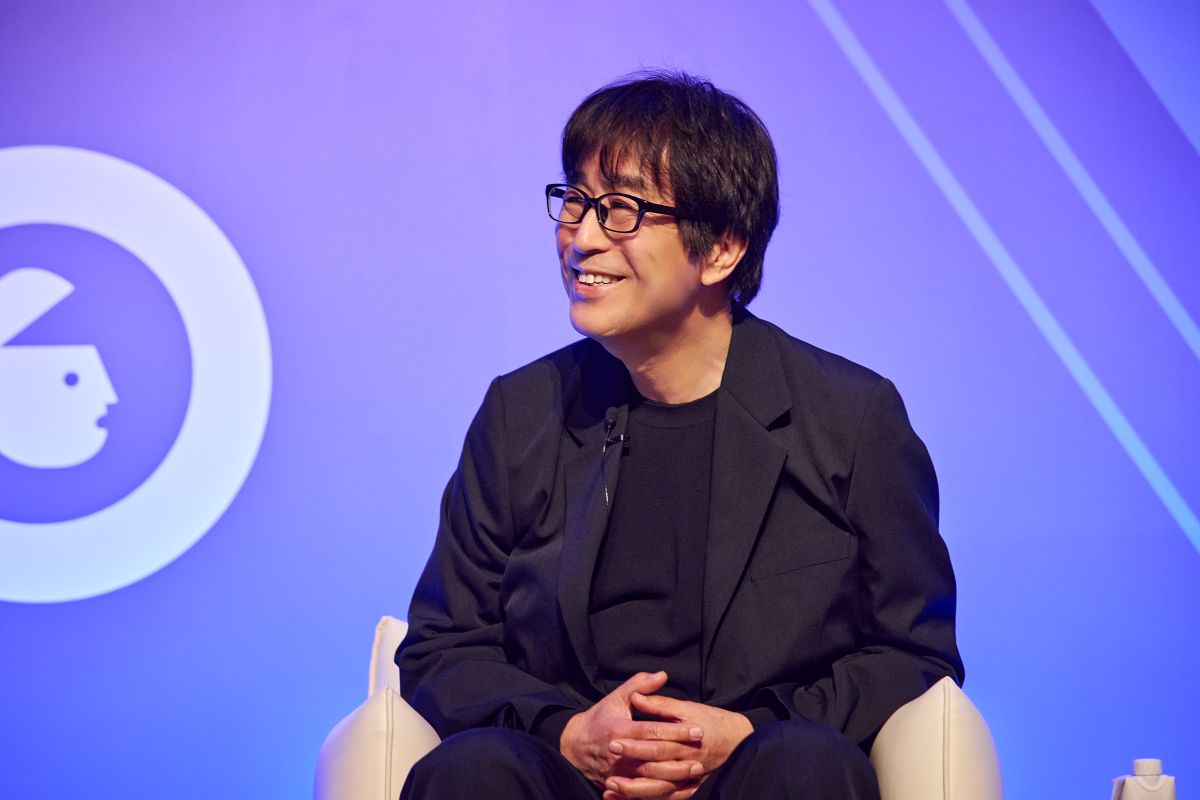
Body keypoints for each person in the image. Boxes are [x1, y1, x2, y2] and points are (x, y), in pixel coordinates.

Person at [396, 70, 963, 800]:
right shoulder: (521, 413)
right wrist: (568, 734)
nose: (581, 238)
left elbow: (911, 652)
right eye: (576, 202)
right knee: (471, 770)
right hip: (572, 779)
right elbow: (443, 647)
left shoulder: (850, 419)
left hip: (755, 774)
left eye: (621, 210)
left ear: (722, 248)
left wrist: (747, 733)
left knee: (806, 762)